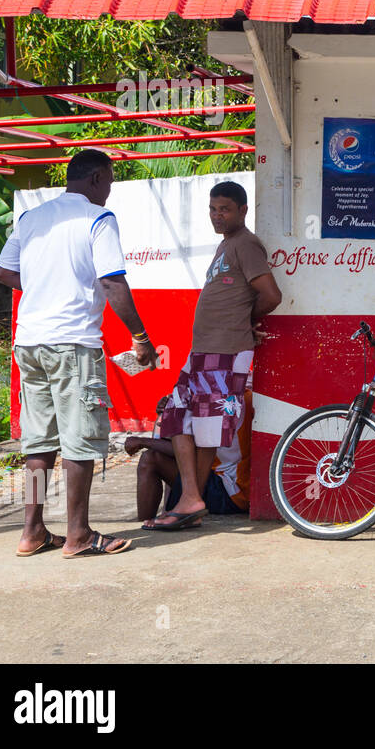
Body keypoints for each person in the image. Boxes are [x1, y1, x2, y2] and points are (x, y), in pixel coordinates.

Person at [0, 148, 157, 557]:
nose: (109, 192)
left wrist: (45, 287)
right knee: (81, 440)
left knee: (38, 444)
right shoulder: (98, 218)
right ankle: (78, 534)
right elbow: (112, 283)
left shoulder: (32, 218)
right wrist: (140, 336)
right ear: (97, 179)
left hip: (29, 342)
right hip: (73, 345)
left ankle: (32, 531)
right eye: (110, 183)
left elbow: (3, 272)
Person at [150, 180, 279, 530]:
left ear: (242, 211)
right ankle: (191, 497)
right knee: (177, 417)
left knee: (208, 428)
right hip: (203, 352)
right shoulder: (226, 245)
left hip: (225, 351)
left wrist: (245, 321)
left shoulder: (246, 244)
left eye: (224, 209)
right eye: (212, 209)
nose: (217, 215)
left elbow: (271, 295)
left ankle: (190, 500)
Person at [125, 390, 253, 527]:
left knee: (150, 459)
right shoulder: (241, 394)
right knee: (165, 456)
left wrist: (143, 441)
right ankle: (164, 512)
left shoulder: (215, 400)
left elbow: (187, 451)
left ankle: (143, 524)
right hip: (232, 488)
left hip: (229, 491)